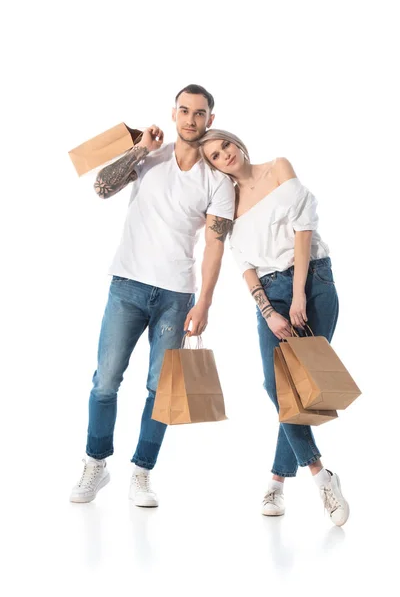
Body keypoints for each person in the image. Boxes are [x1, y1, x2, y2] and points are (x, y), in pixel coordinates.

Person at [70, 86, 235, 507]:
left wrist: (205, 302)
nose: (191, 119)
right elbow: (102, 189)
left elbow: (215, 246)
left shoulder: (218, 181)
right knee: (105, 381)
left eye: (199, 113)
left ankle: (142, 473)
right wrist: (140, 149)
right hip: (126, 285)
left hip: (176, 297)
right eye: (184, 110)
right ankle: (95, 463)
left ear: (209, 120)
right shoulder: (150, 157)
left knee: (158, 391)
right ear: (174, 112)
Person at [199, 129, 349, 527]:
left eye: (225, 145)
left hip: (313, 281)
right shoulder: (226, 202)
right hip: (269, 293)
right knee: (278, 386)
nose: (224, 155)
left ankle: (277, 481)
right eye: (214, 155)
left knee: (300, 386)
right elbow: (244, 264)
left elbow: (304, 231)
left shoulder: (278, 167)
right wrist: (268, 311)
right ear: (212, 165)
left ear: (236, 142)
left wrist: (298, 294)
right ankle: (321, 477)